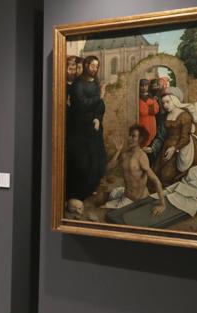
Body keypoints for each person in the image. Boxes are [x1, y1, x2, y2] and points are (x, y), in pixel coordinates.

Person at [66, 55, 107, 201]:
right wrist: (99, 97)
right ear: (86, 66)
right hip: (80, 126)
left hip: (93, 126)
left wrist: (97, 118)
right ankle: (79, 192)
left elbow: (100, 105)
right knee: (82, 160)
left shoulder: (95, 83)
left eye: (97, 66)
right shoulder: (78, 84)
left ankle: (91, 187)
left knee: (95, 157)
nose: (95, 69)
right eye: (92, 66)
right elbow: (81, 104)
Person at [103, 124, 166, 215]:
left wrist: (162, 205)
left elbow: (156, 181)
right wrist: (118, 151)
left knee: (104, 208)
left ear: (140, 139)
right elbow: (108, 168)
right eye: (130, 135)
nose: (129, 138)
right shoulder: (124, 155)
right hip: (126, 194)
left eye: (133, 136)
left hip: (137, 200)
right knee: (109, 196)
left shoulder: (141, 157)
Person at [153, 87, 197, 187]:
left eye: (167, 102)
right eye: (163, 103)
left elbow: (185, 138)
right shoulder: (165, 117)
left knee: (169, 177)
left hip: (182, 147)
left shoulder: (185, 116)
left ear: (174, 100)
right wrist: (153, 148)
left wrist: (174, 148)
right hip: (167, 146)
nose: (165, 105)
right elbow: (161, 136)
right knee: (159, 175)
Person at [138, 79, 159, 146]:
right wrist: (151, 105)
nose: (144, 87)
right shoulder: (138, 97)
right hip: (143, 121)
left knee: (151, 136)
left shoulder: (151, 96)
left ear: (148, 86)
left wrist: (148, 107)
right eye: (142, 86)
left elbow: (156, 110)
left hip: (151, 122)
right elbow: (142, 111)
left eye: (145, 85)